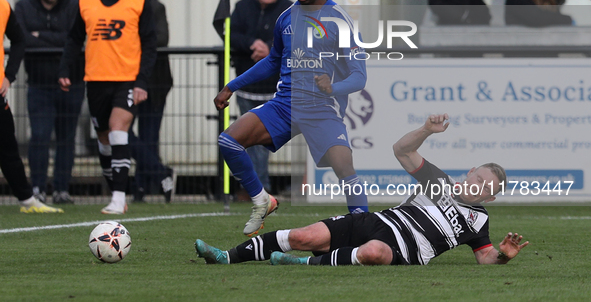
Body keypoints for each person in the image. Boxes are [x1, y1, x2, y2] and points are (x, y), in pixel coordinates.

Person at [195, 113, 529, 266]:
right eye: (478, 177)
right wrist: (425, 130)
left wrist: (503, 257)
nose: (477, 185)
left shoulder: (477, 222)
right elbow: (401, 149)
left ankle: (301, 265)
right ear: (470, 172)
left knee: (374, 253)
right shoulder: (438, 180)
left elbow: (485, 256)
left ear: (490, 198)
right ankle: (226, 256)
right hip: (378, 222)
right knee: (304, 236)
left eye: (485, 187)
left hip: (404, 252)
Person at [214, 0, 368, 237]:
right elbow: (273, 61)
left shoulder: (340, 20)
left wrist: (333, 88)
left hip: (323, 108)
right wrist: (231, 86)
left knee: (346, 171)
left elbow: (360, 76)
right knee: (229, 141)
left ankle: (366, 229)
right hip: (284, 105)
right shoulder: (286, 17)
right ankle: (262, 200)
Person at [58, 0, 157, 214]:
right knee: (104, 139)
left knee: (117, 129)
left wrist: (141, 82)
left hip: (127, 79)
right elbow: (74, 38)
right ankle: (115, 189)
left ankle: (117, 197)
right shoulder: (86, 0)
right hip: (96, 80)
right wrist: (65, 68)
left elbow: (150, 43)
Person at [14, 0, 84, 204]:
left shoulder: (76, 4)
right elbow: (23, 39)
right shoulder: (23, 6)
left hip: (72, 83)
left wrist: (39, 36)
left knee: (66, 137)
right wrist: (58, 41)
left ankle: (62, 189)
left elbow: (74, 39)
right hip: (40, 84)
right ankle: (38, 188)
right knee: (40, 136)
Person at [230, 0, 293, 193]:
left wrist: (269, 48)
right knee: (246, 140)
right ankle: (257, 188)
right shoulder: (242, 7)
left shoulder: (289, 8)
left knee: (262, 142)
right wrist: (252, 44)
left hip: (278, 89)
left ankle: (257, 188)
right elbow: (231, 34)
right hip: (247, 88)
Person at [0, 0, 64, 213]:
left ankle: (27, 201)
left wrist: (9, 75)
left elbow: (19, 41)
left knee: (8, 151)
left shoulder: (3, 6)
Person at [122, 0, 174, 203]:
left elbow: (161, 38)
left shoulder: (156, 8)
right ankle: (160, 173)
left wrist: (129, 41)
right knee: (122, 132)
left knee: (149, 135)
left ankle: (141, 188)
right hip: (125, 80)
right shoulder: (118, 9)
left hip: (155, 82)